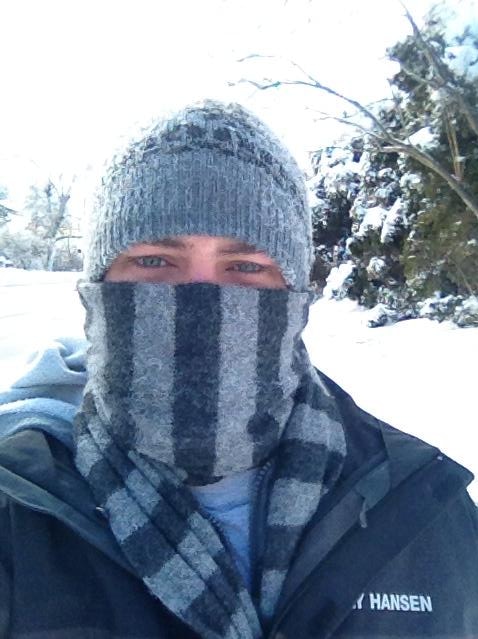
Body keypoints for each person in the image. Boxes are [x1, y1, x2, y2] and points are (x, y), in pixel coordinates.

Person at [0, 100, 477, 639]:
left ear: (295, 293)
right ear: (96, 288)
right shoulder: (16, 512)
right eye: (155, 260)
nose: (201, 296)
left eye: (246, 266)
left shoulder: (425, 511)